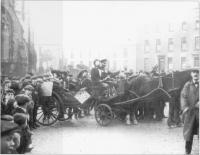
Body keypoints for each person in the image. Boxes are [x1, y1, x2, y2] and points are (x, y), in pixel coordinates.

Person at [180, 69, 199, 155]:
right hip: (190, 114)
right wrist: (185, 108)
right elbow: (183, 97)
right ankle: (188, 152)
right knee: (189, 134)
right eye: (194, 73)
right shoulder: (187, 85)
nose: (195, 74)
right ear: (191, 74)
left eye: (197, 73)